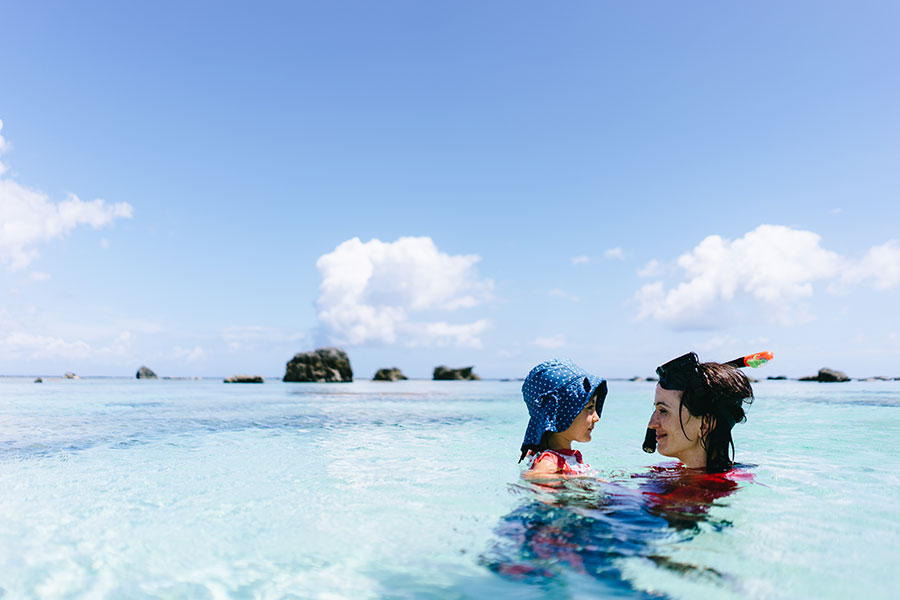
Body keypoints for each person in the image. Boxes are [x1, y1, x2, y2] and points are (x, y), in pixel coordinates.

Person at [646, 351, 753, 473]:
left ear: (705, 424)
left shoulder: (710, 489)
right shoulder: (670, 470)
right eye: (656, 409)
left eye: (663, 411)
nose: (651, 424)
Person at [519, 358, 607, 476]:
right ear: (561, 414)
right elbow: (532, 476)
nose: (596, 417)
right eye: (589, 407)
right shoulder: (550, 463)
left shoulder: (561, 458)